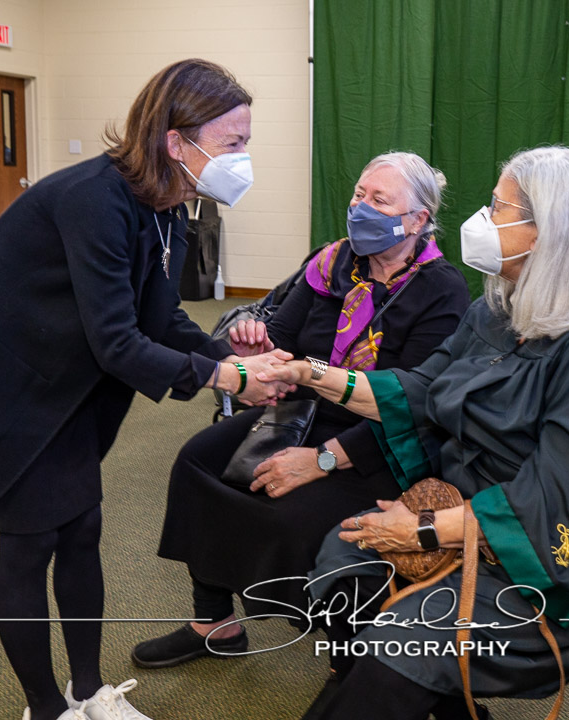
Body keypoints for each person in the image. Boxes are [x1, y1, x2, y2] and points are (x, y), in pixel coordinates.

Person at [0, 59, 290, 720]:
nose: (243, 157)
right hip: (5, 394)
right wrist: (227, 376)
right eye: (233, 142)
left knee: (82, 529)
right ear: (177, 141)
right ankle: (46, 709)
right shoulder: (96, 198)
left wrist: (226, 356)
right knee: (30, 546)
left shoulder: (166, 202)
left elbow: (160, 315)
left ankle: (87, 695)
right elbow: (117, 342)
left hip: (64, 388)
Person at [260, 146, 569, 720]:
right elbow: (422, 390)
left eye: (497, 207)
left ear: (549, 229)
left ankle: (390, 689)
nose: (482, 221)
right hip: (484, 508)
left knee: (408, 640)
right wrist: (311, 374)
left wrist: (427, 530)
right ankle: (433, 704)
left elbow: (568, 497)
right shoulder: (504, 307)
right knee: (345, 556)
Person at [131, 152, 471, 668]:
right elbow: (283, 340)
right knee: (199, 461)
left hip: (381, 439)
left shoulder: (442, 290)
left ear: (418, 220)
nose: (361, 208)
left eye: (379, 201)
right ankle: (214, 624)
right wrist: (253, 351)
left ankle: (349, 662)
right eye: (360, 194)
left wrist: (322, 460)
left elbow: (414, 406)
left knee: (297, 518)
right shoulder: (333, 260)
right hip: (303, 413)